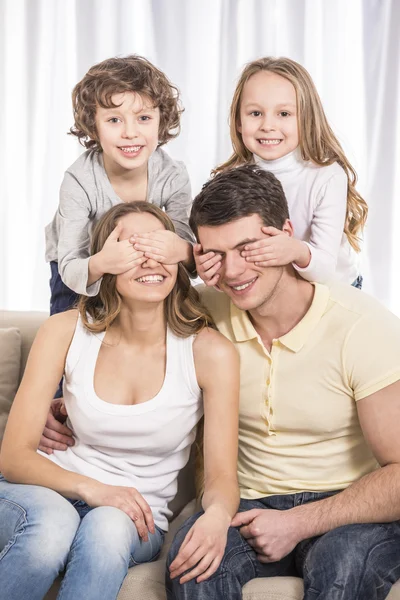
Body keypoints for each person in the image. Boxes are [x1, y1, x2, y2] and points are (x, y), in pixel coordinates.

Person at [166, 165, 400, 600]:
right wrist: (68, 402)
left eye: (248, 247)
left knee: (342, 566)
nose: (233, 271)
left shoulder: (361, 326)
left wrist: (299, 522)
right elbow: (122, 332)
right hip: (245, 502)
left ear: (286, 234)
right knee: (191, 564)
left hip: (348, 508)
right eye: (217, 253)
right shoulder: (203, 313)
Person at [0, 202, 239, 600]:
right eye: (132, 250)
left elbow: (220, 477)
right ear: (104, 262)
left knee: (108, 526)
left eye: (160, 248)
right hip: (43, 492)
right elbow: (14, 456)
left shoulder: (211, 354)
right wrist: (92, 488)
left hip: (134, 517)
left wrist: (216, 516)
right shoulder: (63, 331)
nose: (150, 262)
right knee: (54, 523)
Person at [195, 57, 367, 289]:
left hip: (335, 290)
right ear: (238, 121)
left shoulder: (326, 176)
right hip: (277, 293)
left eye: (284, 114)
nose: (268, 125)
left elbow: (325, 269)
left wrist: (295, 250)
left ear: (306, 119)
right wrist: (208, 267)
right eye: (255, 113)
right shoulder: (231, 177)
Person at [46, 55, 195, 318]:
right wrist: (102, 262)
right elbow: (70, 267)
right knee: (68, 327)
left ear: (161, 120)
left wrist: (182, 250)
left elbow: (185, 248)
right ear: (94, 125)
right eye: (114, 120)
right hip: (80, 263)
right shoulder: (79, 181)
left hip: (133, 265)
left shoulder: (172, 176)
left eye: (144, 118)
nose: (130, 132)